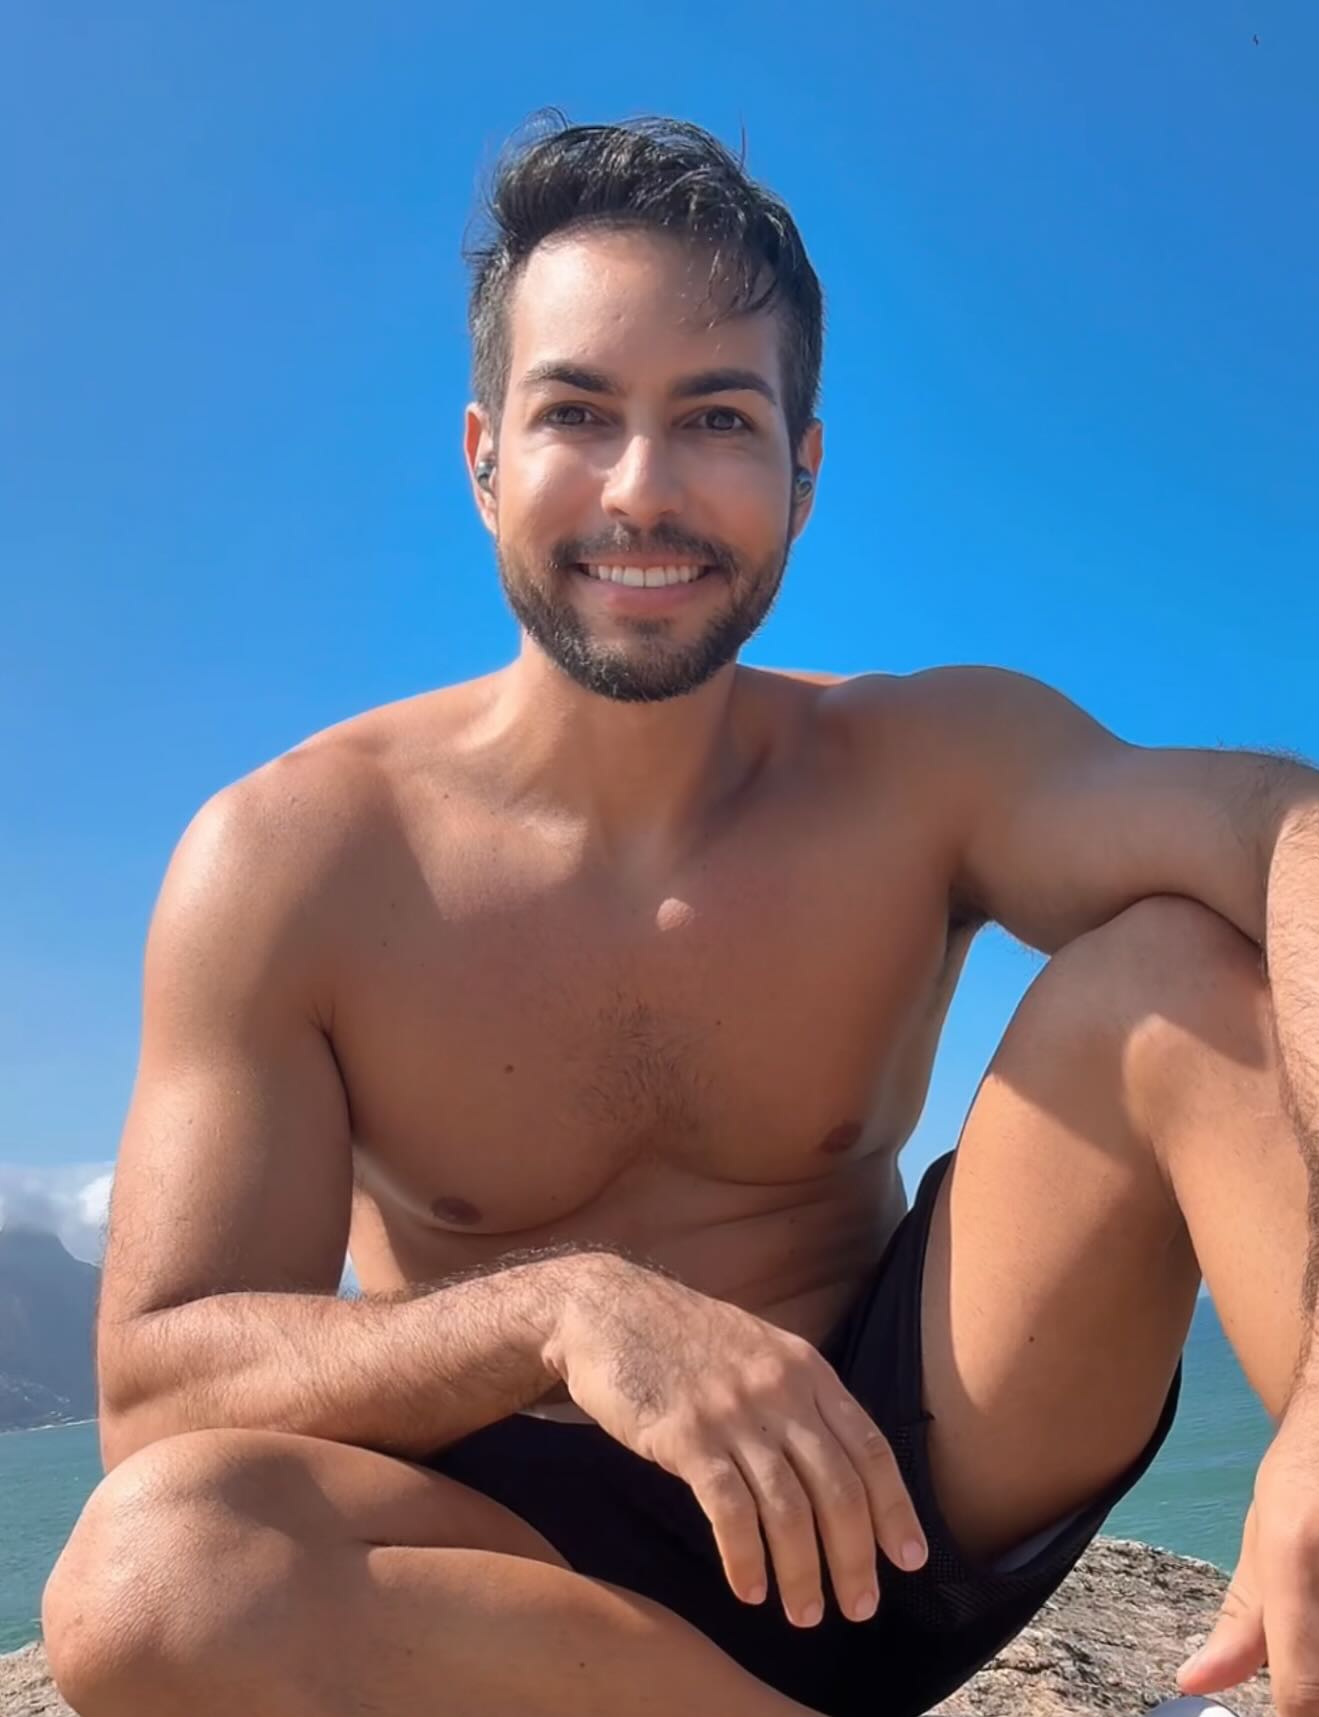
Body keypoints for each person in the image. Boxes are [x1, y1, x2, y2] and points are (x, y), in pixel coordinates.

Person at [41, 116, 1319, 1717]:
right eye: (578, 412)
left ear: (803, 468)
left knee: (1178, 971)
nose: (642, 491)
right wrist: (563, 1312)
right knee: (152, 1572)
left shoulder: (920, 761)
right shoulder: (292, 859)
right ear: (483, 455)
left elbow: (1283, 826)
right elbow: (159, 1392)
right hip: (516, 1592)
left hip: (894, 1497)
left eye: (716, 417)